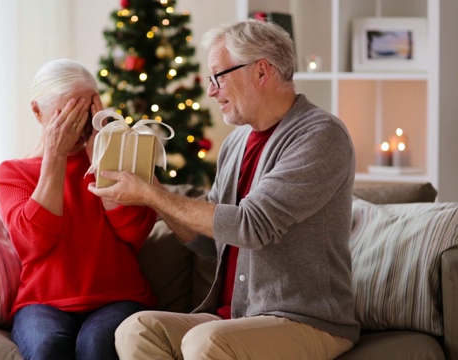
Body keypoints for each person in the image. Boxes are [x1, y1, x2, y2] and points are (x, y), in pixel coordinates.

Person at [88, 19, 360, 360]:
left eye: (218, 76)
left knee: (205, 342)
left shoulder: (320, 135)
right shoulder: (236, 143)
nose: (212, 91)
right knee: (136, 328)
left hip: (306, 321)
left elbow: (251, 226)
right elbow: (209, 243)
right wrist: (152, 190)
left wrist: (151, 195)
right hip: (235, 318)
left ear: (261, 71)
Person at [0, 59, 157, 360]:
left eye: (87, 115)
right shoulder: (12, 172)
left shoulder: (122, 163)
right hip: (41, 303)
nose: (79, 129)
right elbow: (33, 243)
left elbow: (134, 233)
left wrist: (105, 160)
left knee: (95, 346)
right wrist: (54, 156)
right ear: (37, 111)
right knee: (47, 348)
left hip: (119, 298)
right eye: (68, 117)